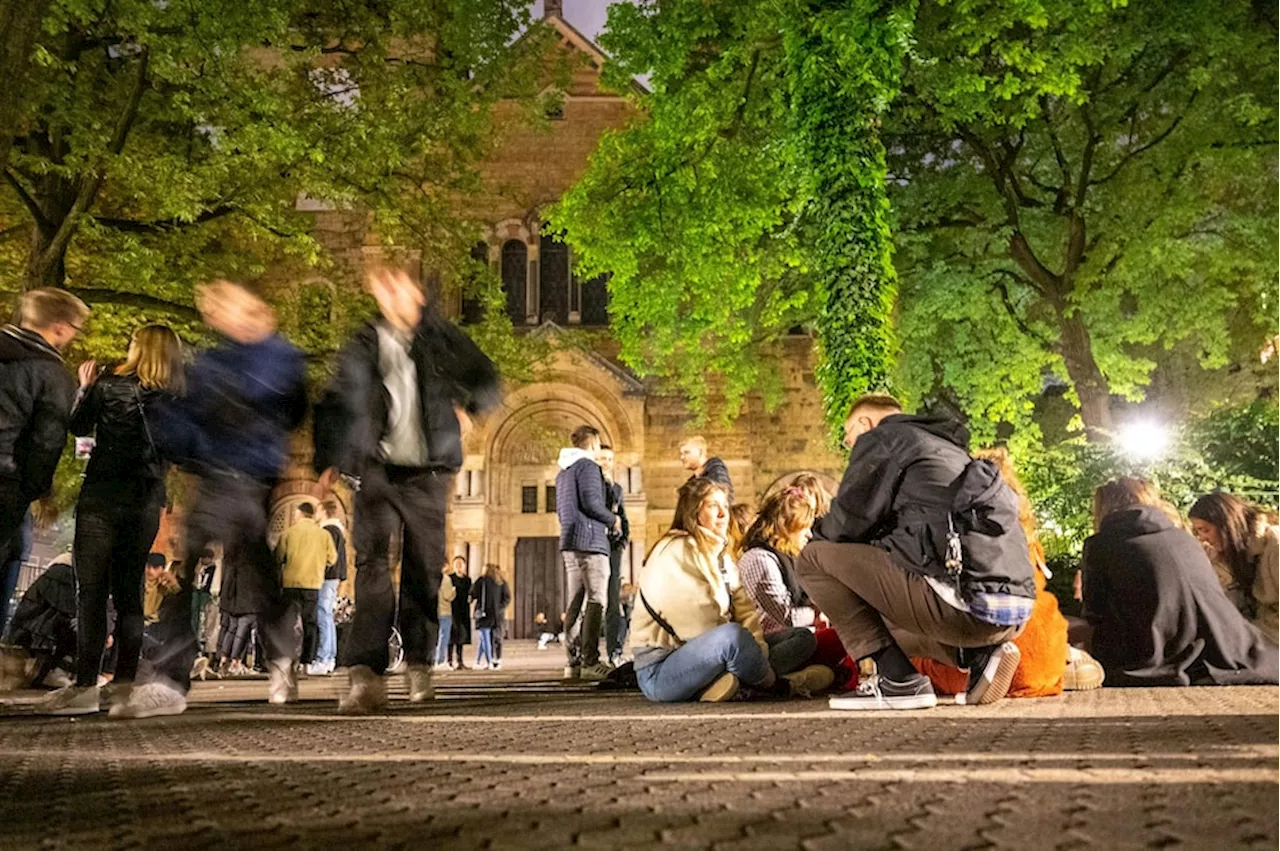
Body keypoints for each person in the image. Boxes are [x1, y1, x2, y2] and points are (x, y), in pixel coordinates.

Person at [314, 266, 500, 714]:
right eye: (385, 287)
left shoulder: (440, 338)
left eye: (401, 286)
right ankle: (366, 674)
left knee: (424, 566)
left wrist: (469, 410)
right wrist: (328, 462)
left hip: (429, 471)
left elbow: (485, 377)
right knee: (373, 565)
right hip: (376, 469)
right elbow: (336, 402)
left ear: (417, 295)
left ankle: (419, 662)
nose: (393, 294)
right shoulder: (362, 344)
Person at [130, 279, 308, 716]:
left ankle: (281, 655)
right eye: (212, 307)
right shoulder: (210, 360)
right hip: (214, 474)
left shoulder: (278, 354)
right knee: (188, 566)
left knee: (257, 573)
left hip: (252, 475)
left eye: (226, 303)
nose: (218, 313)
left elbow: (287, 402)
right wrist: (177, 439)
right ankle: (171, 677)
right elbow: (182, 416)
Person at [798, 394, 1037, 711]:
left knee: (812, 560)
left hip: (961, 605)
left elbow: (846, 523)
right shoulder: (948, 451)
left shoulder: (883, 438)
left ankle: (899, 681)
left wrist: (814, 534)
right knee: (878, 615)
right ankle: (976, 656)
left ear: (865, 423)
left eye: (848, 438)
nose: (849, 447)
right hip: (1013, 613)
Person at [33, 325, 184, 716]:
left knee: (93, 593)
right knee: (131, 594)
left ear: (137, 348)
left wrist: (85, 386)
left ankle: (84, 685)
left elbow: (79, 426)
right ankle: (122, 686)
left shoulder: (107, 383)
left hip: (102, 496)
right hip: (146, 499)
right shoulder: (177, 399)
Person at [911, 448, 1104, 698]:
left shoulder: (956, 538)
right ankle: (1067, 662)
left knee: (912, 655)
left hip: (975, 666)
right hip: (1043, 662)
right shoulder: (1030, 541)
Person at [631, 478, 833, 702]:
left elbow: (745, 611)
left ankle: (733, 682)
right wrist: (757, 663)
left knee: (802, 637)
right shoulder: (675, 551)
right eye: (712, 506)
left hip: (718, 652)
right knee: (732, 637)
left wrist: (758, 649)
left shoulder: (719, 554)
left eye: (724, 506)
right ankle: (779, 686)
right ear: (693, 512)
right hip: (662, 669)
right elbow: (699, 624)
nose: (722, 514)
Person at [1082, 478, 1280, 685]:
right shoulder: (1185, 539)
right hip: (1230, 645)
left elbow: (1096, 613)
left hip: (1153, 654)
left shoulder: (1099, 546)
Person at [0, 289, 88, 570]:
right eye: (76, 328)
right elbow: (46, 443)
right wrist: (36, 491)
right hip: (7, 482)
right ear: (60, 327)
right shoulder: (53, 375)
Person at [737, 487, 825, 676]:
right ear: (787, 527)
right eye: (804, 527)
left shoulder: (791, 557)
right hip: (764, 641)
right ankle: (759, 678)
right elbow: (787, 617)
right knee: (805, 640)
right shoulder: (760, 559)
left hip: (790, 632)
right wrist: (820, 614)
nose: (809, 534)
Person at [555, 424, 619, 681]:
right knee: (596, 599)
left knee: (575, 602)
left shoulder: (563, 471)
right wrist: (611, 518)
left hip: (570, 540)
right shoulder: (588, 466)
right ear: (593, 442)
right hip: (591, 540)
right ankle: (591, 661)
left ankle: (573, 662)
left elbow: (562, 509)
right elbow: (592, 503)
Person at [1189, 492, 1280, 645]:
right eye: (1198, 532)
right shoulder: (1232, 555)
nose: (1203, 538)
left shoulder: (1275, 546)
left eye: (1205, 530)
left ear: (1226, 525)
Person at [274, 502, 337, 672]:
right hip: (313, 584)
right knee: (311, 623)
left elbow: (278, 557)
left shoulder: (288, 533)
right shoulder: (324, 535)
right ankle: (306, 662)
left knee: (289, 623)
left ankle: (287, 659)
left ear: (300, 514)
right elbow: (333, 558)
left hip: (291, 584)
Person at [599, 445, 629, 667]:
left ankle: (614, 651)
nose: (606, 462)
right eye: (602, 458)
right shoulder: (591, 485)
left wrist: (624, 539)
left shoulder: (617, 487)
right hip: (596, 546)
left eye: (609, 458)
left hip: (614, 548)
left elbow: (622, 514)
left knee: (613, 602)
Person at [314, 499, 348, 675]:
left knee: (323, 615)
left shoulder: (328, 531)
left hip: (327, 577)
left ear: (324, 511)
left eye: (318, 510)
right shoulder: (338, 530)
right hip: (334, 578)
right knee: (327, 616)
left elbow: (327, 557)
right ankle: (330, 657)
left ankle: (323, 657)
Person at [471, 564, 510, 670]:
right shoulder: (500, 582)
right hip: (496, 615)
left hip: (483, 614)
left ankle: (489, 661)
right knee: (486, 638)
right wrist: (500, 608)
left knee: (485, 637)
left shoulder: (481, 580)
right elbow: (507, 597)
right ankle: (480, 660)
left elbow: (473, 593)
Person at [678, 436, 733, 503]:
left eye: (687, 452)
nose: (682, 457)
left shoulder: (716, 471)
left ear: (700, 452)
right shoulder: (692, 482)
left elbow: (723, 500)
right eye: (681, 454)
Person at [449, 556, 473, 669]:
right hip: (452, 610)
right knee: (451, 637)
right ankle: (449, 660)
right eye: (456, 564)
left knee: (461, 637)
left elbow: (470, 593)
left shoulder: (468, 580)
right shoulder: (449, 578)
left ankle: (460, 661)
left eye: (461, 564)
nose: (459, 566)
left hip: (464, 611)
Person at [435, 562, 456, 668]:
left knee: (435, 637)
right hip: (445, 611)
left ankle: (434, 659)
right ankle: (440, 660)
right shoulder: (446, 579)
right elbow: (448, 596)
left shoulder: (431, 578)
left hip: (434, 611)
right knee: (444, 637)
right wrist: (454, 591)